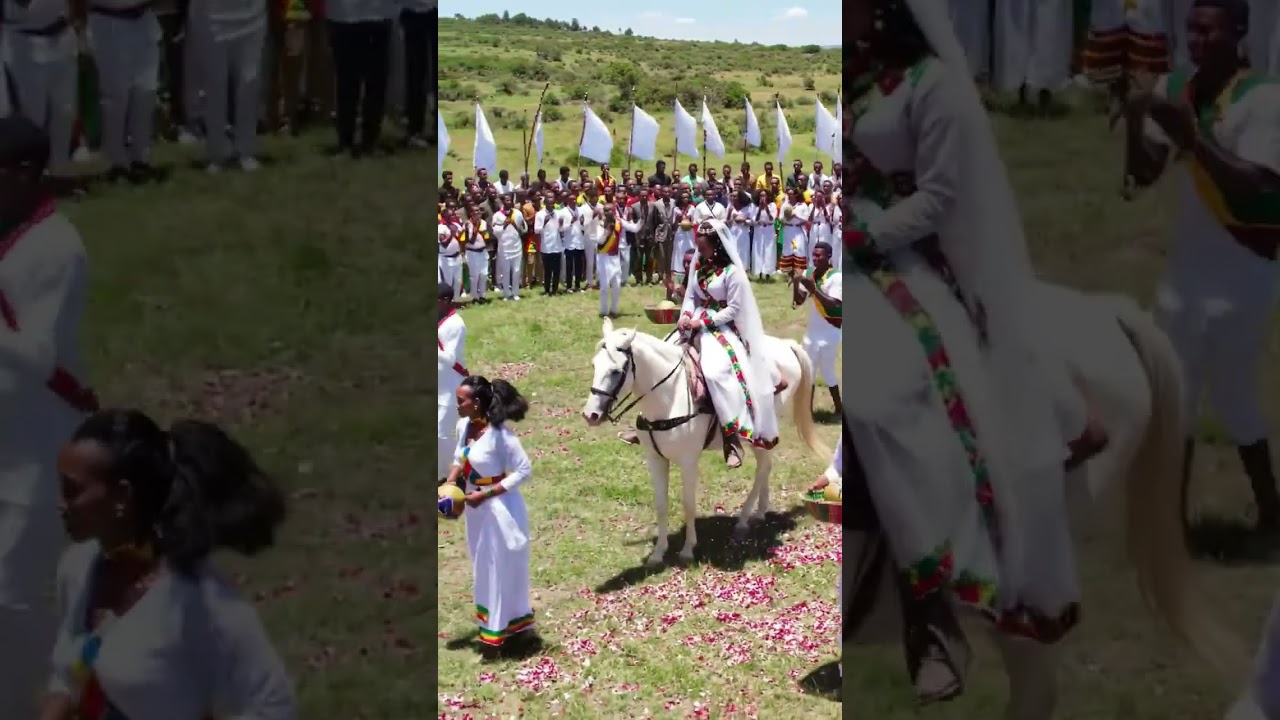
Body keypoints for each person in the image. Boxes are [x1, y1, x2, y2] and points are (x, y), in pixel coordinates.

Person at [844, 0, 1107, 702]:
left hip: (900, 265)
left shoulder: (931, 85)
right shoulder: (836, 77)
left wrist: (865, 233)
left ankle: (931, 612)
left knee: (869, 399)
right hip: (822, 262)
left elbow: (938, 197)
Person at [1123, 0, 1280, 532]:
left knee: (1234, 397)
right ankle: (1172, 522)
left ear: (1238, 32)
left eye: (1208, 30)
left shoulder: (1262, 99)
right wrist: (1137, 117)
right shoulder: (1178, 88)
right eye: (1190, 28)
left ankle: (1270, 511)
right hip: (1187, 273)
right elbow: (1144, 174)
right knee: (1176, 396)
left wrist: (1192, 137)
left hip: (1243, 272)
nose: (1196, 38)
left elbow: (1258, 187)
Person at [41, 408, 294, 718]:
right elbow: (69, 673)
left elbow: (273, 706)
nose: (61, 504)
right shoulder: (78, 568)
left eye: (72, 491)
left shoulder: (196, 599)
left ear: (122, 496)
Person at [0, 117, 96, 720]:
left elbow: (39, 356)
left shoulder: (58, 247)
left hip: (35, 449)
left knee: (12, 595)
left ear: (24, 173)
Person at [440, 376, 537, 653]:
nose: (457, 405)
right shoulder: (464, 426)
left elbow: (524, 471)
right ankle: (494, 626)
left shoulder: (501, 435)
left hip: (500, 509)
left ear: (477, 403)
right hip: (476, 510)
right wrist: (450, 483)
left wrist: (486, 494)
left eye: (461, 400)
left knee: (501, 567)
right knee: (483, 566)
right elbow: (460, 457)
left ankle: (511, 630)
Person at [676, 220, 779, 468]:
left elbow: (733, 309)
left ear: (717, 246)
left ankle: (731, 438)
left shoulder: (732, 273)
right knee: (664, 354)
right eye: (698, 246)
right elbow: (691, 296)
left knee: (713, 372)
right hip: (695, 322)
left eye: (703, 246)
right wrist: (685, 315)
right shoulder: (700, 268)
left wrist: (703, 321)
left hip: (721, 327)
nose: (699, 251)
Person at [86, 0, 162, 182]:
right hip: (108, 21)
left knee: (146, 91)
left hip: (143, 20)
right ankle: (117, 163)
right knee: (116, 97)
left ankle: (140, 159)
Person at [191, 0, 269, 172]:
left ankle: (246, 151)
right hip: (210, 15)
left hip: (252, 15)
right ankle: (217, 153)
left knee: (250, 81)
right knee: (214, 82)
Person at [792, 241, 841, 412]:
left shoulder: (836, 277)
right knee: (809, 371)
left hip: (830, 331)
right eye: (813, 255)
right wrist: (796, 282)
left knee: (827, 371)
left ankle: (839, 408)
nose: (815, 258)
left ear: (829, 257)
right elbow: (799, 301)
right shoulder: (809, 273)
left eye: (819, 255)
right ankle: (807, 410)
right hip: (812, 332)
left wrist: (814, 289)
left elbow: (834, 304)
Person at [438, 282, 467, 482]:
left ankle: (456, 472)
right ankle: (443, 473)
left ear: (446, 300)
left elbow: (450, 359)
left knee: (441, 434)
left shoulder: (456, 324)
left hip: (450, 386)